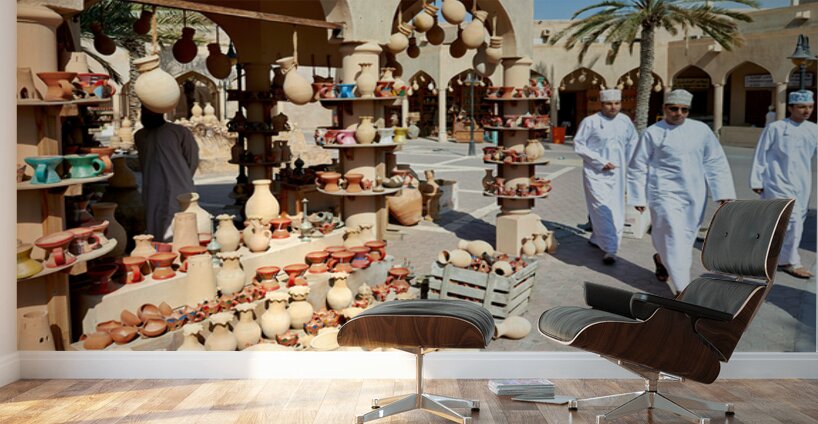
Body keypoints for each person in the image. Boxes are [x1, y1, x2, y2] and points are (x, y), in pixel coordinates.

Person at [628, 89, 736, 294]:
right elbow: (637, 165)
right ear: (664, 108)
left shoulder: (701, 130)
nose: (679, 113)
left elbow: (715, 161)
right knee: (673, 234)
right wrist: (637, 196)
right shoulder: (653, 132)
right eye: (674, 108)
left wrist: (722, 192)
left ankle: (661, 259)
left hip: (694, 194)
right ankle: (682, 288)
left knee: (685, 237)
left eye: (684, 110)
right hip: (663, 193)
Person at [750, 90, 817, 279]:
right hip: (776, 181)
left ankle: (773, 258)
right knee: (791, 220)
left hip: (802, 184)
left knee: (794, 222)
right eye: (802, 107)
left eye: (810, 107)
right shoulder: (776, 128)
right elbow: (761, 153)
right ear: (791, 108)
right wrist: (757, 179)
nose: (806, 111)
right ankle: (790, 261)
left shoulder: (813, 129)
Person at [574, 88, 639, 264]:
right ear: (602, 104)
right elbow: (579, 145)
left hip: (618, 172)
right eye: (609, 104)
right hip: (596, 173)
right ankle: (611, 248)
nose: (613, 107)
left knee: (616, 208)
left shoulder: (625, 121)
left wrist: (631, 166)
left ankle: (598, 238)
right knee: (600, 208)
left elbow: (633, 143)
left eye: (617, 103)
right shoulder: (591, 122)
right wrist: (600, 161)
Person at [135, 105, 200, 241]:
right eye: (144, 111)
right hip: (153, 191)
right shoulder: (140, 136)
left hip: (179, 189)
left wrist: (182, 178)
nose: (146, 114)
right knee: (155, 227)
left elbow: (192, 159)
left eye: (150, 111)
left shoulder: (178, 132)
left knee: (181, 229)